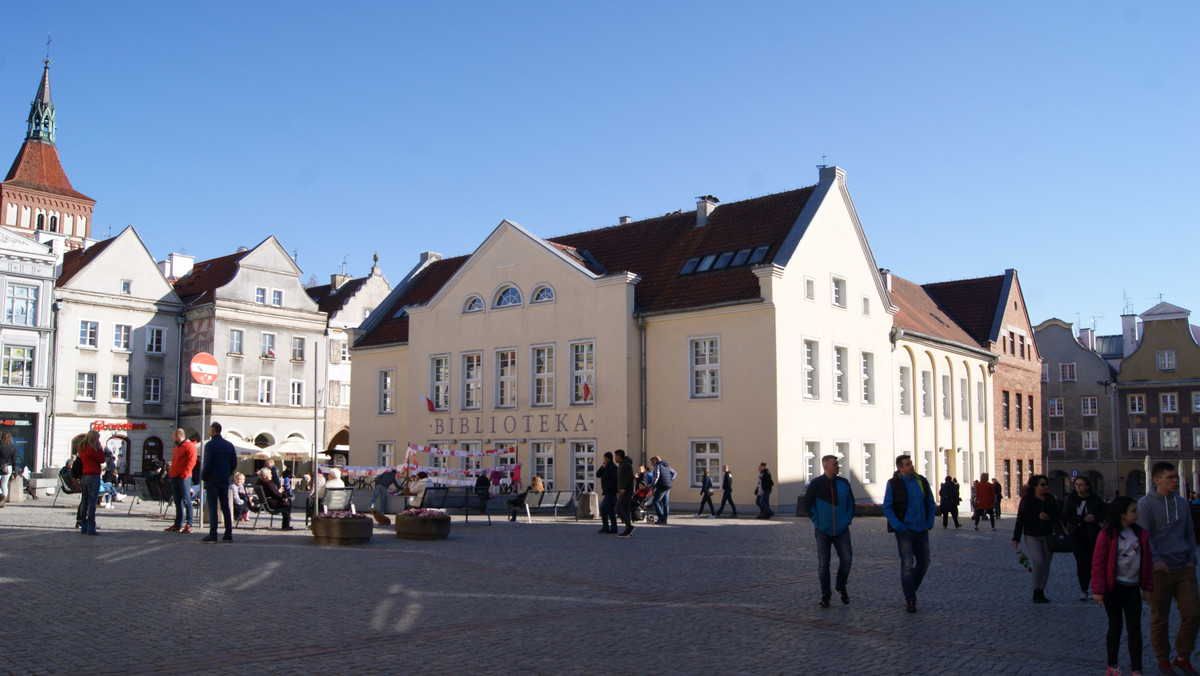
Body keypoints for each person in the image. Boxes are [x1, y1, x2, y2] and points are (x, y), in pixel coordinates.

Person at [1138, 461, 1200, 676]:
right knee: (1159, 618)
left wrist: (1192, 557)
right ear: (1157, 480)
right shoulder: (1145, 504)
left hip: (1184, 568)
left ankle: (1182, 657)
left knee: (1193, 614)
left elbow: (1190, 532)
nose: (1175, 481)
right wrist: (1156, 560)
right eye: (1171, 477)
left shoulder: (1181, 503)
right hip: (1159, 571)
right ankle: (1163, 660)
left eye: (1176, 477)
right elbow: (1144, 536)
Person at [1092, 496, 1154, 676]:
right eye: (1133, 511)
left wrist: (1148, 586)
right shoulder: (1107, 534)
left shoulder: (1140, 534)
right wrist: (1098, 590)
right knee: (1115, 626)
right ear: (1122, 515)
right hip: (1114, 588)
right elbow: (1098, 562)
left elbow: (1147, 562)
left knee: (1135, 628)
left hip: (1133, 587)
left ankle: (1136, 669)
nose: (1137, 514)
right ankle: (1112, 665)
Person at [883, 454, 935, 613]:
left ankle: (910, 588)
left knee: (924, 562)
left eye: (911, 463)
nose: (911, 466)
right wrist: (899, 526)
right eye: (907, 464)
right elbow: (887, 507)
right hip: (905, 531)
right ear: (900, 468)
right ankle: (910, 599)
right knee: (907, 564)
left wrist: (929, 522)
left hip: (922, 529)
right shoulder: (894, 484)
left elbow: (930, 502)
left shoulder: (921, 481)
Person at [804, 455, 854, 608]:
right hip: (823, 530)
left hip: (842, 529)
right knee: (824, 564)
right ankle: (826, 593)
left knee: (847, 559)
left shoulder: (844, 483)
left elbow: (851, 504)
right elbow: (808, 505)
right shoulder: (816, 484)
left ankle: (840, 585)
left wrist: (847, 520)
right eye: (835, 464)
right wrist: (818, 522)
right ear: (826, 467)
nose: (838, 466)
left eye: (837, 463)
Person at [1011, 474, 1060, 603]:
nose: (1045, 487)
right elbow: (1020, 518)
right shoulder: (1027, 500)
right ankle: (1036, 590)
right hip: (1032, 535)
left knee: (1046, 564)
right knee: (1038, 561)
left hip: (1048, 536)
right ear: (1034, 486)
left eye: (1046, 484)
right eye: (1042, 485)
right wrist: (1016, 538)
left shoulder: (1050, 499)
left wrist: (1048, 518)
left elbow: (1059, 517)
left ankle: (1041, 590)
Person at [1064, 475, 1107, 601]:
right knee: (1081, 562)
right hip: (1077, 534)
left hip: (1092, 534)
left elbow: (1103, 513)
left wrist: (1094, 517)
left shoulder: (1095, 499)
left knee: (1091, 562)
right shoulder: (1071, 499)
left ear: (1087, 486)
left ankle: (1093, 587)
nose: (1078, 487)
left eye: (1081, 484)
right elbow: (1066, 515)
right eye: (1077, 484)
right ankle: (1083, 589)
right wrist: (1082, 519)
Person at [200, 422, 238, 543]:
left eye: (210, 430)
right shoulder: (229, 445)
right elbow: (234, 463)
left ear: (213, 431)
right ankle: (228, 533)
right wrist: (227, 473)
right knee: (225, 506)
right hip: (224, 479)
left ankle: (213, 533)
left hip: (212, 479)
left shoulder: (210, 445)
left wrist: (204, 476)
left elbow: (207, 463)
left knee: (212, 506)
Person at [165, 429, 197, 534]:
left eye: (173, 436)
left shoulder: (189, 446)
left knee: (186, 500)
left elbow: (192, 461)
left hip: (184, 477)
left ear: (178, 436)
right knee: (177, 501)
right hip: (175, 476)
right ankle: (178, 524)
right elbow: (175, 462)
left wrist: (184, 474)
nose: (172, 438)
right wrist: (172, 473)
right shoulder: (177, 448)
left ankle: (189, 524)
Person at [76, 430, 106, 535]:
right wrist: (100, 449)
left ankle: (83, 525)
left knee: (84, 501)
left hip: (84, 475)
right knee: (92, 502)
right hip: (93, 476)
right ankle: (91, 527)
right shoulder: (92, 449)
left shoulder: (81, 447)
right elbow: (102, 460)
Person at [614, 449, 635, 538]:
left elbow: (630, 477)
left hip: (627, 491)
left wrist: (624, 488)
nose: (615, 458)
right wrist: (619, 490)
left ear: (619, 456)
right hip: (624, 490)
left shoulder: (626, 465)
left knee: (618, 509)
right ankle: (628, 529)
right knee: (625, 509)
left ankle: (629, 527)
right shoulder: (621, 465)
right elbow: (622, 479)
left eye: (615, 456)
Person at [649, 456, 676, 524]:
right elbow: (674, 473)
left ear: (654, 461)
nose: (651, 464)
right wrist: (670, 480)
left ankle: (661, 518)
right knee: (665, 503)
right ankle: (665, 519)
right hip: (668, 486)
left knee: (655, 502)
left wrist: (653, 484)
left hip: (661, 486)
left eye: (652, 462)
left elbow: (656, 476)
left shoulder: (657, 466)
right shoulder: (666, 466)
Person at [596, 452, 618, 533]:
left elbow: (614, 481)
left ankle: (606, 526)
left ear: (608, 458)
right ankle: (613, 528)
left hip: (611, 492)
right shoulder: (605, 466)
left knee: (602, 507)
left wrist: (608, 489)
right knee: (611, 510)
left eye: (605, 458)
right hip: (607, 491)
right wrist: (602, 467)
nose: (604, 459)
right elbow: (598, 474)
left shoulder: (613, 468)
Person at [0, 432, 14, 507]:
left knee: (1, 484)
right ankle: (3, 500)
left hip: (1, 465)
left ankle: (1, 496)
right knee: (4, 484)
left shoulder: (0, 446)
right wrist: (14, 471)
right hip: (9, 466)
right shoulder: (11, 447)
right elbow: (13, 459)